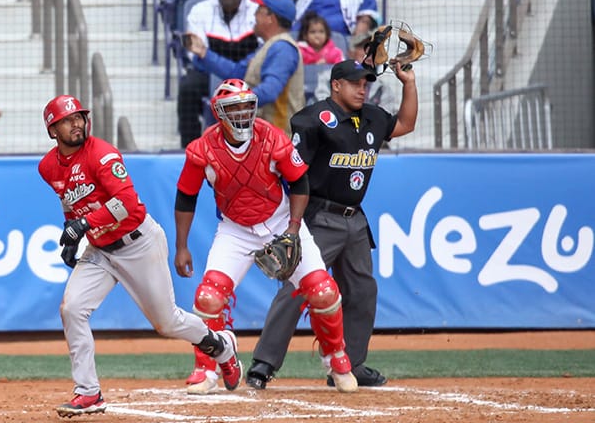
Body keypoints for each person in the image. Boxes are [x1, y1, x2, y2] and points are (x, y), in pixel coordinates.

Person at [37, 95, 243, 417]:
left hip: (138, 243)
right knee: (72, 308)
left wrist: (84, 224)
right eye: (67, 120)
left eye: (79, 117)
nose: (76, 123)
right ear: (52, 130)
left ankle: (220, 346)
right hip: (100, 250)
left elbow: (127, 204)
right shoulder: (47, 166)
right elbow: (69, 200)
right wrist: (71, 234)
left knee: (167, 322)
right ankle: (88, 392)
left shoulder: (102, 154)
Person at [174, 78, 357, 395]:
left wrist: (293, 229)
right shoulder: (202, 149)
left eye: (247, 106)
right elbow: (185, 196)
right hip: (235, 229)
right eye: (235, 108)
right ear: (220, 113)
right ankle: (210, 366)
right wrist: (181, 246)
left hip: (280, 219)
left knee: (323, 292)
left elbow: (300, 183)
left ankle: (336, 358)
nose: (243, 113)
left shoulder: (272, 137)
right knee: (208, 298)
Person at [246, 59, 418, 390]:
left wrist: (408, 82)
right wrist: (291, 224)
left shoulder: (373, 116)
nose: (362, 88)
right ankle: (264, 363)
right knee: (298, 287)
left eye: (366, 83)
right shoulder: (313, 119)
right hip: (319, 217)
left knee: (363, 290)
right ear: (336, 85)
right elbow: (292, 173)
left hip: (355, 218)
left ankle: (351, 364)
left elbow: (406, 124)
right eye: (355, 83)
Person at [183, 0, 304, 134]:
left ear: (271, 18)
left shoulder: (282, 49)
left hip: (280, 140)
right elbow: (236, 73)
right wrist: (204, 53)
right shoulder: (268, 47)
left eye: (259, 11)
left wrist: (235, 102)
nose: (254, 15)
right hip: (266, 138)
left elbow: (270, 91)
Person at [177, 0, 259, 149]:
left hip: (249, 72)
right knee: (188, 88)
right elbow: (195, 55)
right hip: (210, 73)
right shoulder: (199, 11)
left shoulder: (257, 11)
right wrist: (228, 69)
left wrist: (208, 56)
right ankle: (190, 148)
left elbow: (261, 53)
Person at [314, 31, 398, 114]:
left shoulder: (383, 88)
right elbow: (322, 111)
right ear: (350, 53)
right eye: (364, 47)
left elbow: (386, 122)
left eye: (373, 48)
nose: (369, 52)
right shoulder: (328, 78)